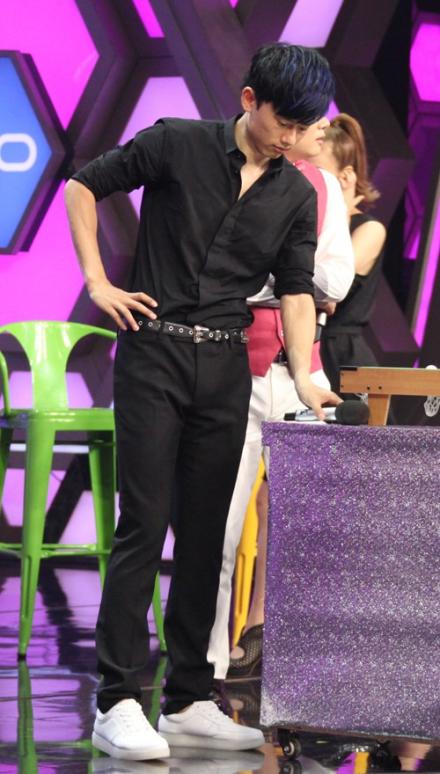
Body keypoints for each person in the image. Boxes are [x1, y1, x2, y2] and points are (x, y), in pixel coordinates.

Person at [64, 42, 339, 761]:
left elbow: (296, 289)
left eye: (303, 127)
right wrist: (97, 282)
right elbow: (83, 187)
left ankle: (188, 699)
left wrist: (305, 373)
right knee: (144, 522)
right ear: (250, 100)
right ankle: (117, 700)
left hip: (224, 364)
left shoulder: (296, 193)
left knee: (206, 533)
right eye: (284, 122)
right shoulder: (177, 143)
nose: (290, 138)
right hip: (153, 352)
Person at [207, 117, 355, 682]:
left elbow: (335, 281)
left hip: (303, 374)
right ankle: (207, 667)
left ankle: (297, 668)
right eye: (307, 117)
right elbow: (224, 273)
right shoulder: (232, 174)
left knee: (309, 528)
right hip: (234, 371)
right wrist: (293, 284)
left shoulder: (321, 185)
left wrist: (276, 278)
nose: (320, 126)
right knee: (220, 526)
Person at [312, 113, 387, 397]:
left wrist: (339, 212)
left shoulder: (369, 229)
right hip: (303, 347)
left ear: (344, 177)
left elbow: (331, 289)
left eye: (318, 171)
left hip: (341, 356)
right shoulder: (302, 221)